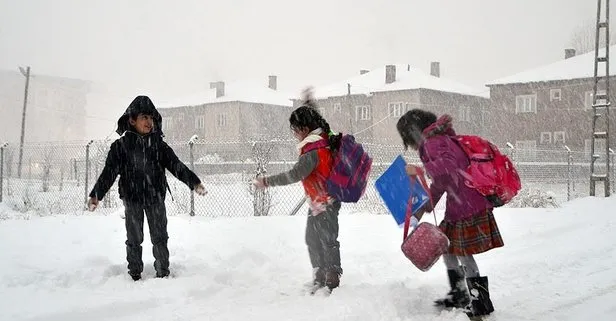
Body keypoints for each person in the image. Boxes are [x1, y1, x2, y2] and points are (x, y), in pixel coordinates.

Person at [87, 95, 207, 281]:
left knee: (160, 236)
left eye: (151, 118)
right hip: (132, 198)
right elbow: (109, 173)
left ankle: (163, 272)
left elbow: (177, 166)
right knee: (134, 238)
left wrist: (194, 182)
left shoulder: (158, 145)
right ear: (132, 120)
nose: (149, 122)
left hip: (155, 198)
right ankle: (135, 273)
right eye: (144, 117)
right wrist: (96, 195)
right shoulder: (121, 147)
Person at [396, 109, 503, 318]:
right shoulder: (438, 139)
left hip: (467, 205)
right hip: (461, 204)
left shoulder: (433, 142)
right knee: (448, 249)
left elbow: (449, 166)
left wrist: (420, 169)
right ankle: (460, 294)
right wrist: (424, 208)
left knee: (463, 254)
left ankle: (479, 304)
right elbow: (442, 182)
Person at [253, 91, 343, 292]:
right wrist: (310, 106)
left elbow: (295, 174)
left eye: (295, 130)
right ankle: (321, 271)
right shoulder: (323, 138)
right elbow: (319, 121)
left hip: (325, 201)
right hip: (321, 201)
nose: (294, 134)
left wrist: (266, 181)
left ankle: (332, 275)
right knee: (313, 238)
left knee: (327, 240)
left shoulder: (312, 150)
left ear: (304, 129)